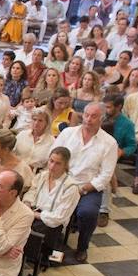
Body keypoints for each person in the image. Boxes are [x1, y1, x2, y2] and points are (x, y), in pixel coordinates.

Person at [54, 103, 118, 263]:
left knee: (88, 213)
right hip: (62, 182)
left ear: (102, 118)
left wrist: (83, 189)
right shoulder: (68, 133)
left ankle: (82, 246)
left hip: (88, 188)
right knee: (49, 205)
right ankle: (51, 244)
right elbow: (53, 156)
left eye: (94, 116)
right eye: (86, 115)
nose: (88, 119)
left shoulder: (109, 143)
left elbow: (106, 175)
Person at [24, 147, 81, 260]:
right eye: (51, 161)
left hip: (51, 223)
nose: (52, 166)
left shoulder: (71, 187)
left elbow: (58, 218)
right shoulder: (42, 176)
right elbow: (31, 192)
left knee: (33, 234)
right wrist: (27, 204)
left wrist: (34, 215)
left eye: (58, 163)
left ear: (65, 165)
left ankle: (38, 256)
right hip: (33, 212)